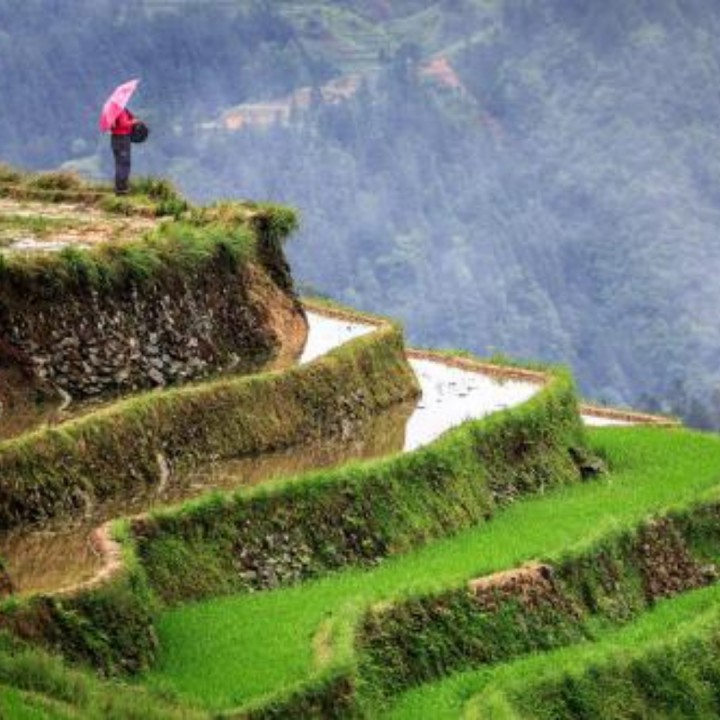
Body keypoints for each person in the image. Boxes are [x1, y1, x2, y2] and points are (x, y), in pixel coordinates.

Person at [110, 107, 137, 195]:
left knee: (119, 163)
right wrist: (134, 122)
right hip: (122, 139)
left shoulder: (112, 111)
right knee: (124, 163)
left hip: (115, 138)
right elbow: (123, 124)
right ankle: (122, 188)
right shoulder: (120, 111)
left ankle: (119, 187)